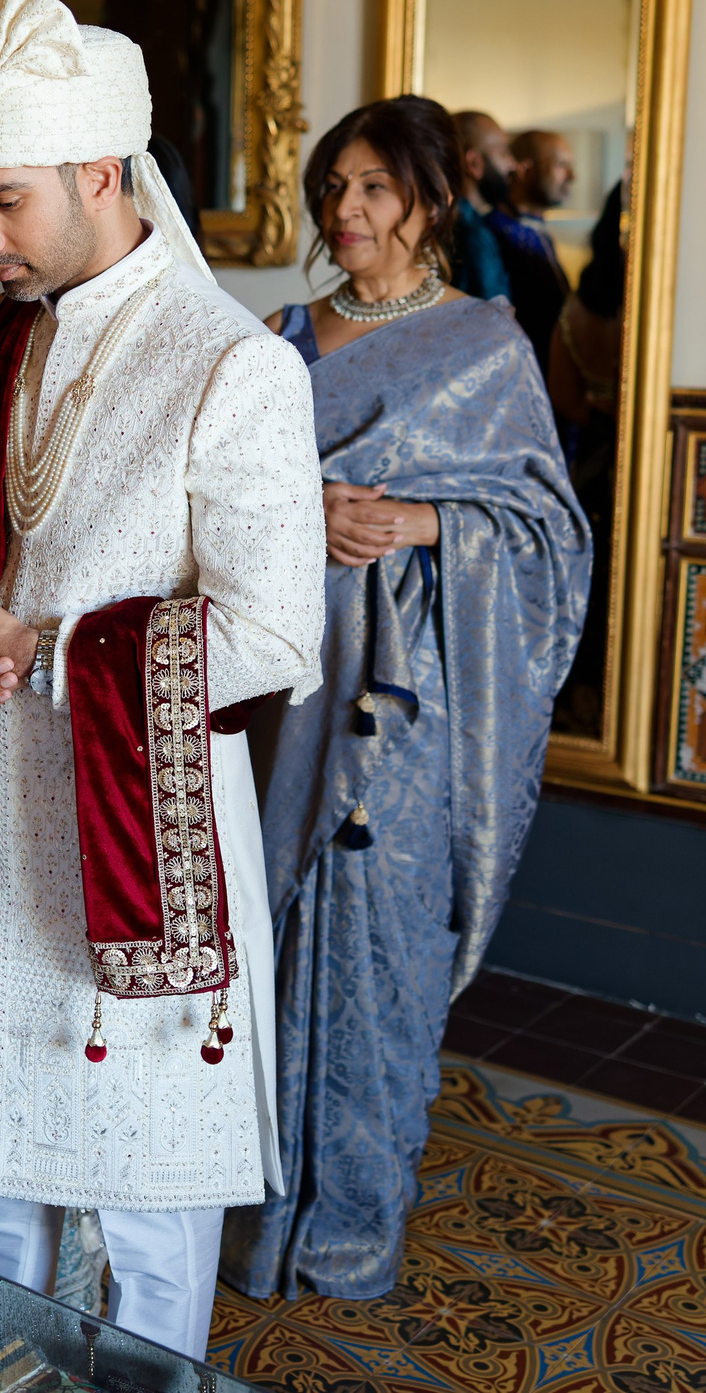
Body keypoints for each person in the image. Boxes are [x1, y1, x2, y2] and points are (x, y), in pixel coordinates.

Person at [0, 0, 327, 1360]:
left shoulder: (230, 367)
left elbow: (273, 641)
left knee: (146, 1233)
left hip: (142, 854)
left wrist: (47, 652)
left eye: (4, 199)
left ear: (98, 170)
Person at [234, 95, 589, 1301]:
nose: (346, 209)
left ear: (431, 200)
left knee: (379, 939)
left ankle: (349, 1228)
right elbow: (211, 506)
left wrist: (430, 519)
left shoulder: (482, 346)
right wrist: (297, 515)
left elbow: (549, 536)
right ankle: (259, 1214)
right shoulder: (276, 341)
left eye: (376, 186)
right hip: (286, 690)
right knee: (269, 937)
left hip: (411, 703)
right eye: (332, 185)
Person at [549, 178, 625, 736]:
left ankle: (578, 697)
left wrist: (599, 401)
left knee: (592, 586)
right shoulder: (651, 301)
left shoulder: (576, 308)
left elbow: (568, 403)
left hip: (589, 464)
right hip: (628, 465)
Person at [492, 127, 574, 367]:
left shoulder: (541, 234)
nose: (572, 176)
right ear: (525, 170)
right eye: (561, 165)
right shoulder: (493, 234)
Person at [446, 109, 512, 303]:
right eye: (503, 152)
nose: (512, 164)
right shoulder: (474, 235)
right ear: (474, 163)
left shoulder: (444, 221)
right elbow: (496, 322)